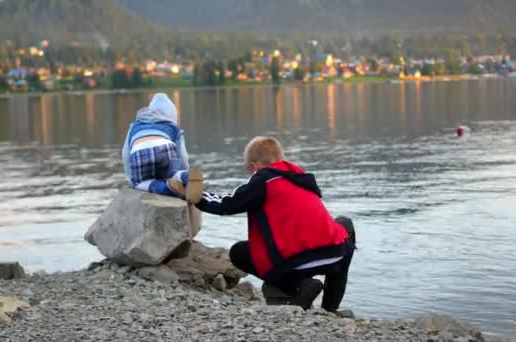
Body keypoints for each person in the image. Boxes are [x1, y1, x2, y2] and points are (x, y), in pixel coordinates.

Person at [194, 136, 356, 311]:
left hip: (297, 264)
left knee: (239, 252)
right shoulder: (300, 177)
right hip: (334, 255)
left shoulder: (263, 180)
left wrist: (197, 196)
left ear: (255, 166)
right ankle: (330, 308)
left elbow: (227, 204)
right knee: (345, 225)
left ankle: (299, 285)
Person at [121, 93, 203, 203]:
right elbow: (182, 155)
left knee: (140, 183)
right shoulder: (173, 127)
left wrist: (130, 177)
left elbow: (125, 153)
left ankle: (165, 188)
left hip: (140, 152)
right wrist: (184, 169)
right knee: (171, 175)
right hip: (165, 147)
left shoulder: (135, 125)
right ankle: (185, 176)